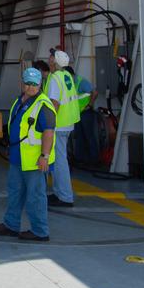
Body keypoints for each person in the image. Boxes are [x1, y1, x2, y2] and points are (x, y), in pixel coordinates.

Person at [0, 65, 56, 242]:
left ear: (40, 84)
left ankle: (40, 231)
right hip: (17, 157)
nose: (31, 87)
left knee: (35, 197)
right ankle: (11, 225)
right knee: (15, 193)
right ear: (22, 83)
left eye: (34, 84)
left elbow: (48, 133)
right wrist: (11, 146)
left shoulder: (43, 105)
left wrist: (44, 156)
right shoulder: (20, 101)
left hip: (34, 162)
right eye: (28, 83)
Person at [44, 48, 86, 208]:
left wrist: (46, 123)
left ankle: (65, 196)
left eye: (51, 57)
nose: (49, 59)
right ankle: (59, 193)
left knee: (59, 161)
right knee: (59, 159)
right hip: (67, 123)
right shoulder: (66, 75)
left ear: (54, 61)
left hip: (58, 124)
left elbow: (54, 103)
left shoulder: (55, 78)